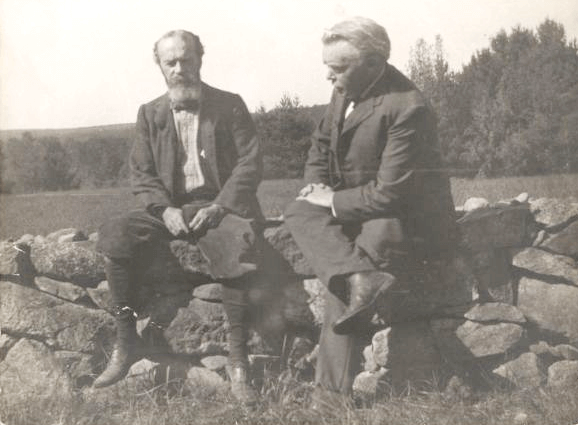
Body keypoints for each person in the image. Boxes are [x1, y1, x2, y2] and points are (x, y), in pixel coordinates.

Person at [284, 17, 458, 403]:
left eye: (338, 67)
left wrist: (331, 201)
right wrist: (315, 188)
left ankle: (330, 398)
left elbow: (390, 194)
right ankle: (359, 277)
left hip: (403, 219)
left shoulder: (408, 107)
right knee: (298, 211)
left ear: (374, 63)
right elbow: (320, 145)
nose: (328, 76)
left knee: (353, 265)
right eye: (327, 66)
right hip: (361, 207)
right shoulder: (345, 89)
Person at [94, 29, 263, 405]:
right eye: (170, 61)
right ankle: (126, 344)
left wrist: (220, 206)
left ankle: (238, 363)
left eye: (186, 59)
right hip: (168, 209)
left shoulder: (230, 105)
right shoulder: (149, 113)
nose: (179, 68)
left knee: (238, 244)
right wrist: (164, 209)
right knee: (114, 235)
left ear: (200, 59)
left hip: (218, 207)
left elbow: (250, 164)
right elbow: (142, 173)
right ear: (159, 65)